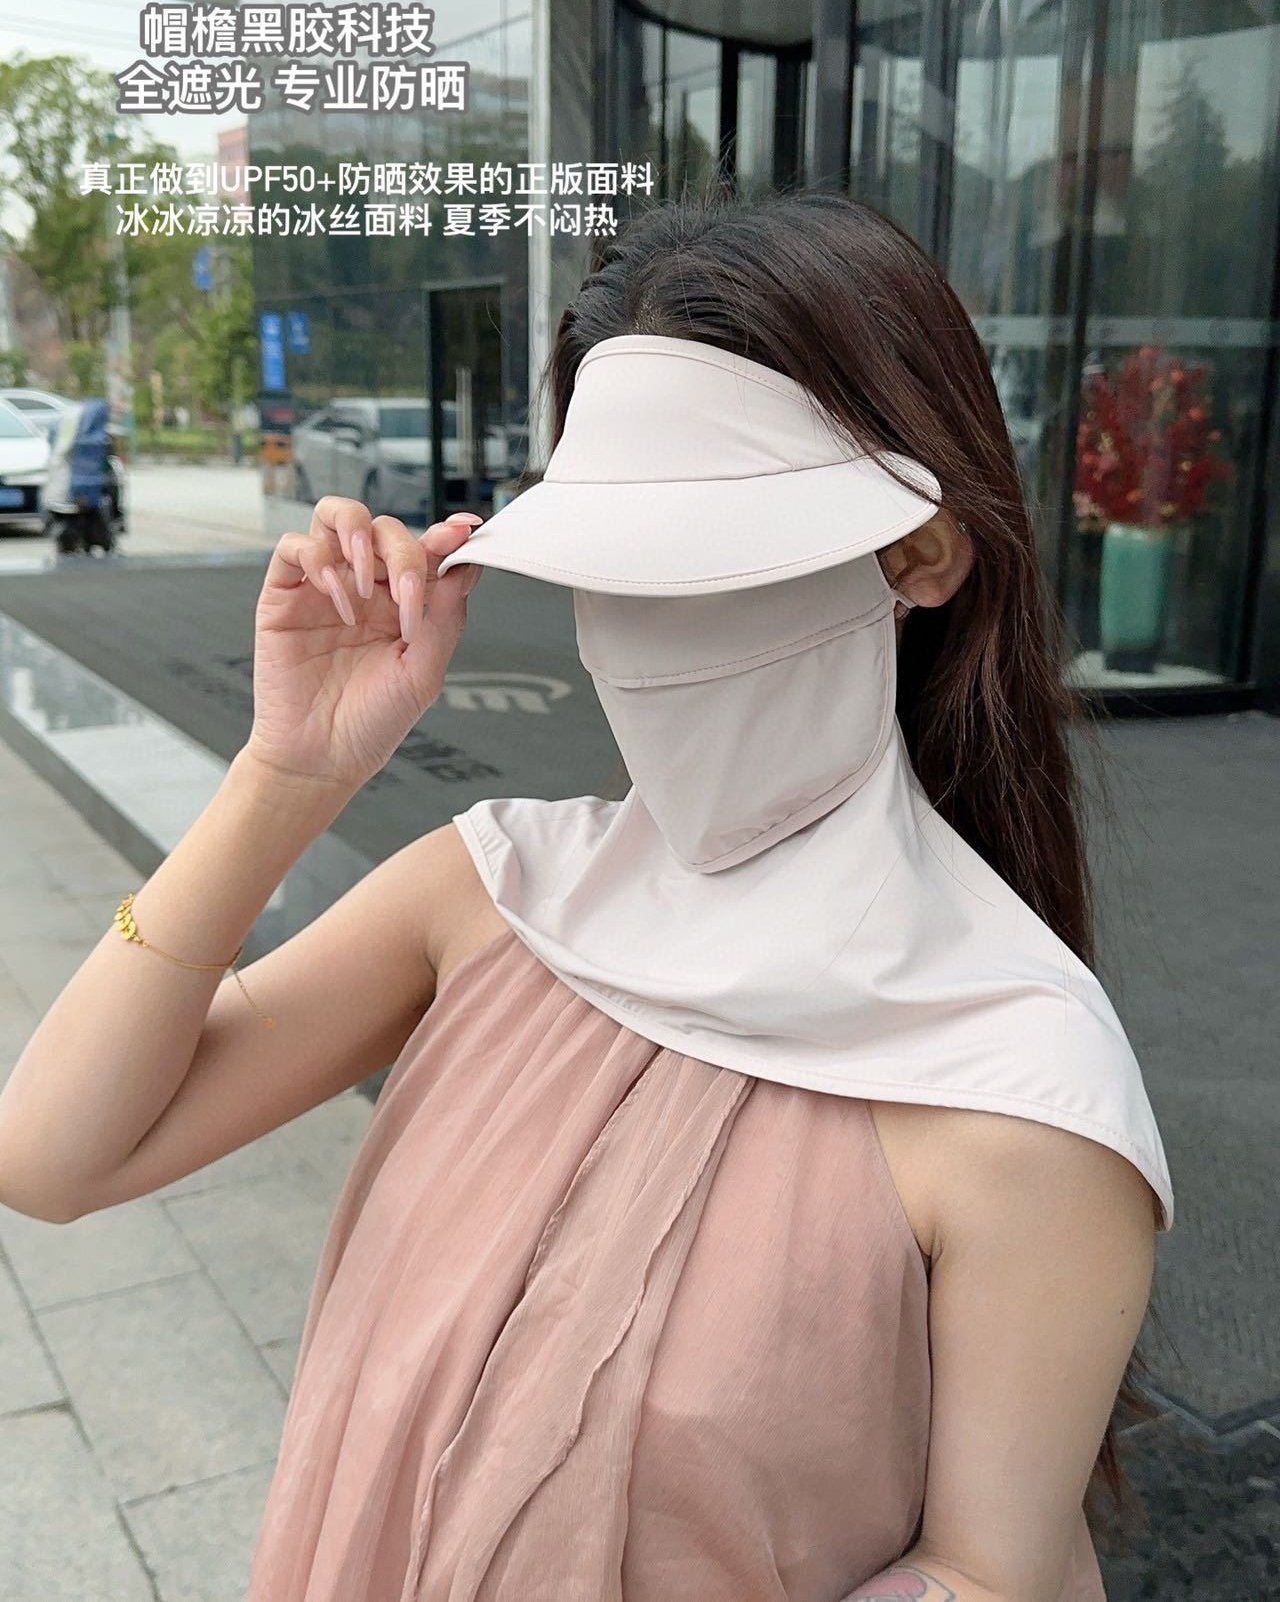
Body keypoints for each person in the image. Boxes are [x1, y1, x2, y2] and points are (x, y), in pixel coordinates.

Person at [0, 194, 1171, 1602]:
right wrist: (286, 776)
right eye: (608, 565)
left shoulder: (1018, 1080)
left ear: (917, 554)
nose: (642, 630)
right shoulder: (495, 891)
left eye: (708, 558)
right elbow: (54, 1158)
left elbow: (989, 1569)